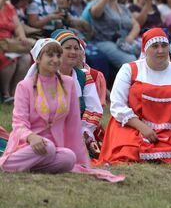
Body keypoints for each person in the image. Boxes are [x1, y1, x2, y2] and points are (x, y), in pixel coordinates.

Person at [0, 39, 123, 182]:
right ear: (38, 58)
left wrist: (82, 157)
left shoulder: (68, 83)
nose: (55, 60)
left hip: (56, 147)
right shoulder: (24, 86)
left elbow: (73, 124)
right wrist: (31, 137)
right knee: (49, 147)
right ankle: (5, 164)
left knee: (69, 157)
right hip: (28, 144)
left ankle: (31, 165)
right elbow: (18, 122)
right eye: (50, 55)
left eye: (58, 55)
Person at [97, 28, 171, 165]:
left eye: (164, 46)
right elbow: (117, 105)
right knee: (128, 152)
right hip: (130, 127)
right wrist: (142, 127)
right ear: (145, 49)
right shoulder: (130, 69)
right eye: (155, 46)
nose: (160, 50)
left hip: (166, 133)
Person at [50, 29, 104, 158]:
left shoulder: (84, 76)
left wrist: (83, 132)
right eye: (68, 48)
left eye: (76, 48)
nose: (73, 52)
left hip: (80, 129)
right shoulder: (44, 74)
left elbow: (93, 108)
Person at [89, 0, 138, 68]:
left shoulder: (123, 8)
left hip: (124, 41)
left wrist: (131, 37)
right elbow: (95, 13)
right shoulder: (97, 3)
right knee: (130, 60)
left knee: (144, 55)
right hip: (105, 41)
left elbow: (136, 25)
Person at [0, 0, 32, 103]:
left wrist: (22, 36)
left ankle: (15, 93)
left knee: (25, 57)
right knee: (9, 59)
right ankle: (5, 93)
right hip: (1, 43)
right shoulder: (3, 2)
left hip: (8, 41)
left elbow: (18, 26)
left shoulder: (9, 6)